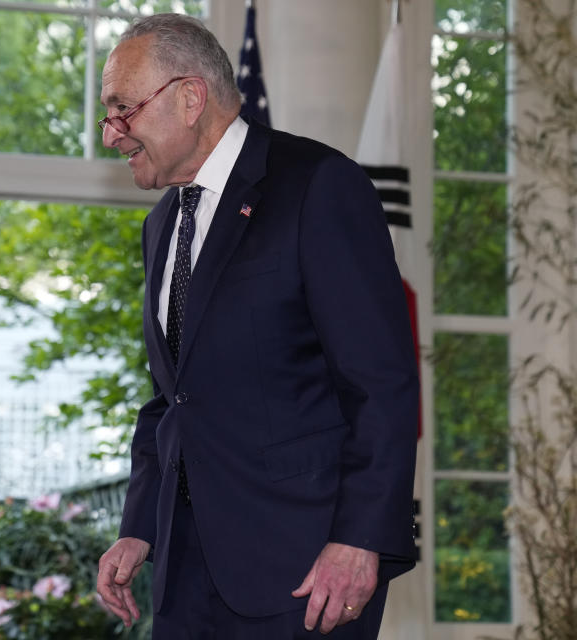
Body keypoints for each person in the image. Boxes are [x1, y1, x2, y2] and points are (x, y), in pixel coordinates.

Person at [95, 13, 419, 639]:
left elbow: (380, 382)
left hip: (306, 573)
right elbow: (174, 397)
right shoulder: (162, 224)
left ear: (190, 98)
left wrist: (360, 541)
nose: (111, 133)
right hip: (186, 576)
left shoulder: (318, 186)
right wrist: (138, 526)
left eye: (123, 110)